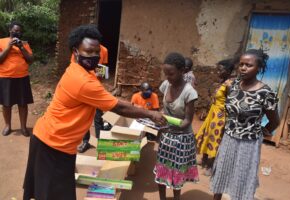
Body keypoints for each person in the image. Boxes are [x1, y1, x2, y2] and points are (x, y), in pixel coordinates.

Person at [23, 24, 166, 200]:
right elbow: (118, 107)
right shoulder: (82, 81)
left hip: (59, 143)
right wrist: (151, 114)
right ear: (75, 51)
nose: (94, 56)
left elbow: (100, 89)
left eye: (97, 52)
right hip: (52, 144)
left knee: (53, 192)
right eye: (89, 51)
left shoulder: (81, 68)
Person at [211, 49, 280, 200]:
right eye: (241, 64)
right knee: (222, 173)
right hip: (229, 138)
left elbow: (275, 121)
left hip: (249, 143)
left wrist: (261, 131)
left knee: (241, 179)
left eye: (248, 65)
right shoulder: (233, 86)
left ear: (259, 68)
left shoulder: (265, 93)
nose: (243, 68)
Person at [154, 52, 199, 200]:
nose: (167, 77)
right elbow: (163, 109)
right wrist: (158, 119)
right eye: (165, 74)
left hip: (181, 139)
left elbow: (187, 121)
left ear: (182, 71)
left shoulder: (189, 92)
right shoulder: (166, 85)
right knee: (162, 170)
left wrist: (167, 126)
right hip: (166, 136)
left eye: (171, 74)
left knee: (176, 175)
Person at [195, 58, 235, 176]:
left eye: (220, 70)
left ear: (228, 71)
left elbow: (232, 102)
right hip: (213, 113)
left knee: (215, 139)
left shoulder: (230, 84)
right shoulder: (222, 82)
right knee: (207, 135)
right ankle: (204, 160)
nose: (218, 72)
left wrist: (226, 118)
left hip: (221, 116)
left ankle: (211, 166)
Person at [0, 21, 34, 137]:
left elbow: (30, 60)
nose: (17, 33)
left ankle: (23, 127)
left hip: (22, 77)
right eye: (15, 30)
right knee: (6, 104)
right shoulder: (1, 42)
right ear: (10, 30)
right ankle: (8, 126)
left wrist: (21, 47)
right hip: (5, 78)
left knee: (23, 104)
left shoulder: (24, 43)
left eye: (19, 31)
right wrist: (9, 46)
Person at [75, 41, 109, 153]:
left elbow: (103, 68)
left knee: (98, 117)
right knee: (84, 117)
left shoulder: (104, 50)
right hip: (83, 88)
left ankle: (100, 144)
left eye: (97, 52)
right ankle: (86, 141)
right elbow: (76, 69)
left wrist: (100, 74)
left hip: (96, 88)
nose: (95, 54)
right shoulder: (79, 49)